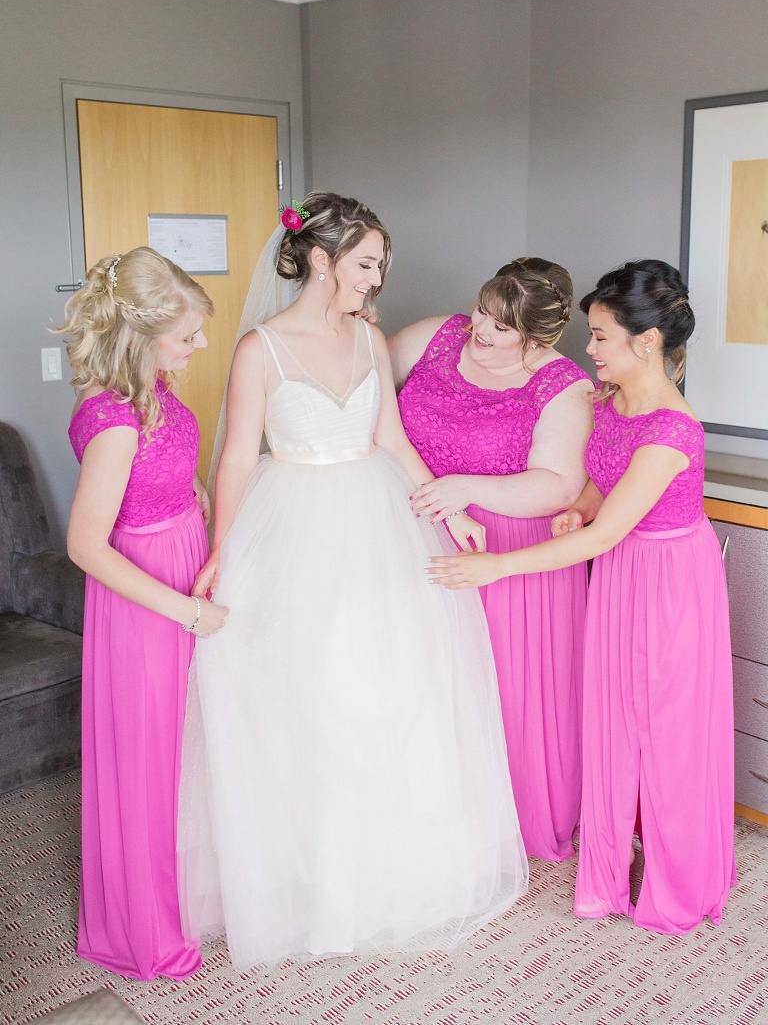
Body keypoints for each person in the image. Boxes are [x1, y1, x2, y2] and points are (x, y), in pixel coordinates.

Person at [177, 193, 528, 972]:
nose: (376, 280)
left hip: (376, 523)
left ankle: (395, 874)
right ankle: (313, 885)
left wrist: (449, 507)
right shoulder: (259, 350)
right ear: (323, 260)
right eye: (367, 264)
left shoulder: (370, 340)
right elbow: (236, 458)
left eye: (380, 266)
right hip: (291, 523)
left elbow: (392, 440)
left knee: (390, 689)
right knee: (310, 699)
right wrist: (218, 549)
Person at [428, 259, 736, 935]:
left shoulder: (673, 431)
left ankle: (677, 883)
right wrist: (581, 506)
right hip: (624, 572)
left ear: (645, 342)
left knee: (666, 730)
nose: (588, 348)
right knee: (611, 720)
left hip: (668, 584)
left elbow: (607, 534)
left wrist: (499, 568)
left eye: (599, 336)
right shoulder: (615, 404)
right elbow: (603, 489)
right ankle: (602, 876)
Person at [60, 247, 228, 980]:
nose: (198, 346)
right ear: (142, 334)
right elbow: (86, 545)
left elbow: (165, 466)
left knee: (185, 748)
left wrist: (197, 498)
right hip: (146, 598)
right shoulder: (115, 420)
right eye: (187, 334)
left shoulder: (152, 389)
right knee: (151, 758)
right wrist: (183, 612)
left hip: (178, 564)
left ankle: (183, 890)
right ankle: (143, 926)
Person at [391, 259, 593, 861]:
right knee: (418, 679)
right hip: (414, 525)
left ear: (539, 337)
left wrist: (467, 488)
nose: (481, 328)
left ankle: (498, 826)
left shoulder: (564, 385)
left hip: (508, 551)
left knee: (499, 691)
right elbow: (365, 384)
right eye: (483, 308)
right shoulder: (436, 334)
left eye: (503, 327)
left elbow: (559, 484)